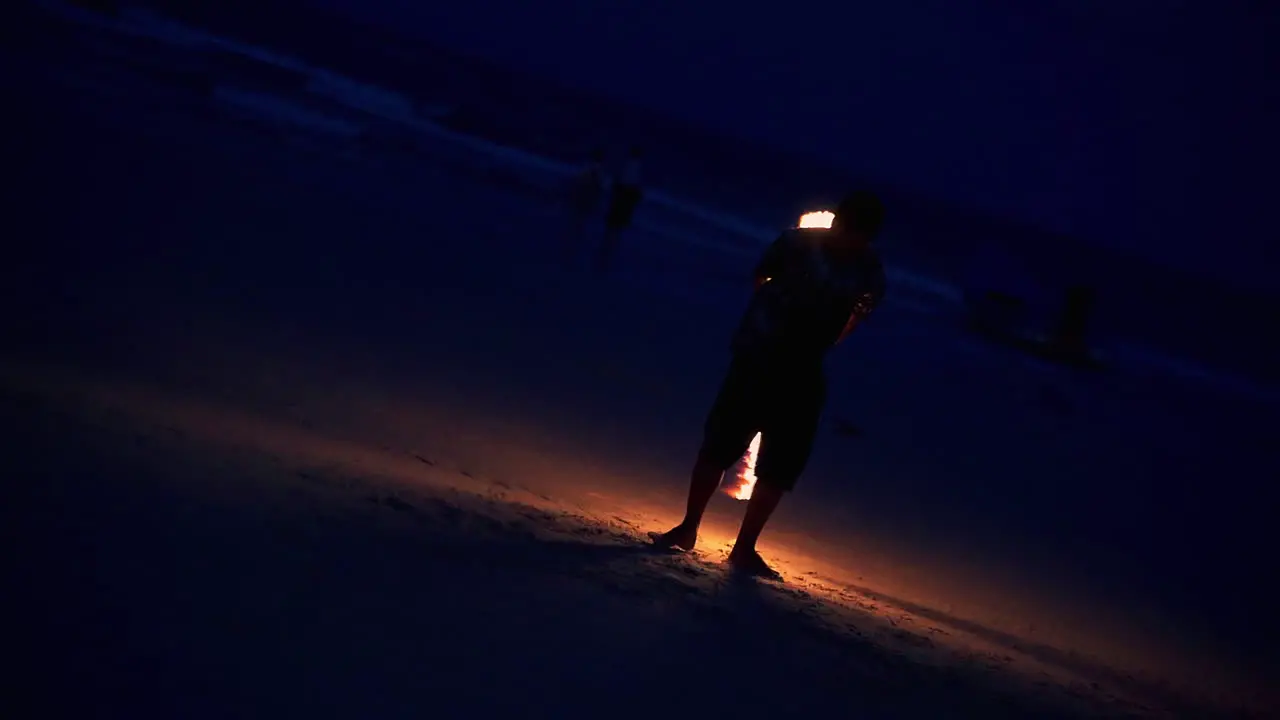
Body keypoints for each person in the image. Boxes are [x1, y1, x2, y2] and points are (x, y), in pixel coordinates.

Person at [650, 191, 888, 579]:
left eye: (862, 236)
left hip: (805, 368)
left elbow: (860, 312)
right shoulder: (796, 243)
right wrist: (772, 323)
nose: (854, 241)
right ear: (840, 222)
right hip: (757, 356)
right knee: (720, 444)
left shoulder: (869, 269)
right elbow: (761, 278)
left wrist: (817, 341)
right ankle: (689, 526)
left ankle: (744, 548)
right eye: (852, 231)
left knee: (780, 465)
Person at [596, 145, 644, 270]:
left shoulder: (626, 167)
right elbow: (636, 192)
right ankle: (606, 256)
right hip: (624, 203)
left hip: (619, 200)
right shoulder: (637, 171)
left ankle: (604, 255)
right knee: (615, 231)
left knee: (610, 229)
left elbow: (616, 184)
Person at [563, 148, 606, 260]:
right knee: (578, 227)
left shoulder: (587, 169)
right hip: (585, 203)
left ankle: (569, 250)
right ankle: (571, 251)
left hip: (580, 201)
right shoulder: (598, 173)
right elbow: (598, 191)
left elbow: (576, 184)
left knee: (573, 226)